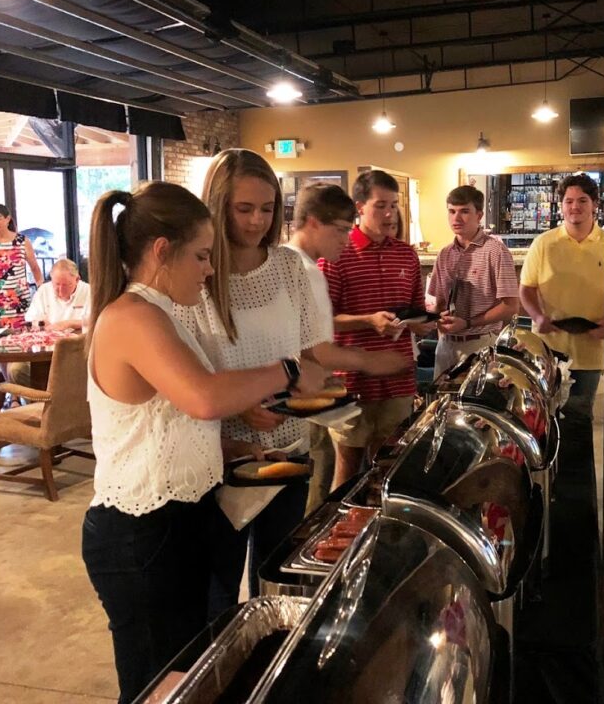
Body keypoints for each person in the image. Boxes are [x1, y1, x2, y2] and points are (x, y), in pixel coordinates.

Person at [81, 182, 324, 704]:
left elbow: (167, 420)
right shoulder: (132, 316)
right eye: (201, 256)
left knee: (186, 679)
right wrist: (286, 369)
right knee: (157, 687)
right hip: (140, 534)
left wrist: (233, 450)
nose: (210, 270)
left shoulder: (163, 312)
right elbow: (204, 397)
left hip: (176, 523)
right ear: (161, 251)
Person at [171, 149, 332, 615]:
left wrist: (312, 385)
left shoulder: (289, 267)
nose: (257, 221)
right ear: (217, 206)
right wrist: (241, 405)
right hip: (225, 453)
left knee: (277, 575)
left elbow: (310, 354)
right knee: (218, 586)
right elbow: (184, 372)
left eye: (267, 208)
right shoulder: (197, 274)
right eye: (244, 209)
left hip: (290, 445)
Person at [286, 182, 410, 513]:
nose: (346, 238)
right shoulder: (302, 269)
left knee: (323, 482)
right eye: (341, 230)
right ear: (314, 222)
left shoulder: (294, 264)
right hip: (301, 395)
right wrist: (371, 360)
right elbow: (316, 350)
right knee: (321, 485)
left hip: (307, 392)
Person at [321, 170, 436, 489]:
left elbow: (418, 313)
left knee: (389, 469)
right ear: (360, 208)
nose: (389, 214)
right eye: (380, 206)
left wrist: (425, 324)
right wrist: (368, 320)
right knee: (347, 469)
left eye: (393, 206)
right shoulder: (337, 254)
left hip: (398, 380)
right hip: (351, 382)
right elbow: (320, 321)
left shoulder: (407, 255)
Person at [519, 173, 604, 454]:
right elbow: (526, 290)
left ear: (595, 204)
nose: (575, 207)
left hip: (590, 350)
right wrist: (538, 316)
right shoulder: (543, 243)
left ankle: (578, 477)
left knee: (579, 418)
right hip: (548, 350)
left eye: (582, 200)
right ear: (560, 205)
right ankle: (550, 474)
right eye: (569, 201)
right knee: (544, 418)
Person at [428, 185, 519, 378]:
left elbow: (511, 306)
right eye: (451, 211)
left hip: (480, 344)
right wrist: (433, 318)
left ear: (479, 215)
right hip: (446, 345)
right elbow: (440, 302)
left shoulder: (496, 251)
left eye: (464, 211)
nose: (456, 218)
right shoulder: (444, 254)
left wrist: (467, 323)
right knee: (441, 397)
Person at [7, 259, 90, 387]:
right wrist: (40, 323)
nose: (60, 290)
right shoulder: (44, 290)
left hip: (74, 353)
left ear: (77, 279)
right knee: (15, 370)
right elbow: (31, 317)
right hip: (43, 352)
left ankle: (53, 396)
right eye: (56, 284)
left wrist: (68, 323)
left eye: (66, 285)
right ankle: (45, 397)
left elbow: (94, 319)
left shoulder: (88, 291)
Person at [0, 203, 43, 330]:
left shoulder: (22, 241)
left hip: (20, 302)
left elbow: (35, 269)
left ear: (8, 219)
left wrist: (41, 293)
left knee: (23, 337)